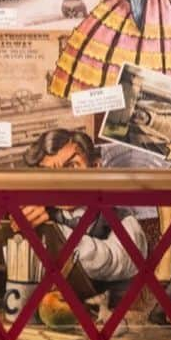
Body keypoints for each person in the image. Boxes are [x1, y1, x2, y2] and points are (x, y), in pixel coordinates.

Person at [17, 129, 145, 308]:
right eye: (49, 173)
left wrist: (53, 232)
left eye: (71, 167)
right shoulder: (45, 214)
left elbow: (112, 260)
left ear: (95, 168)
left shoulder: (124, 220)